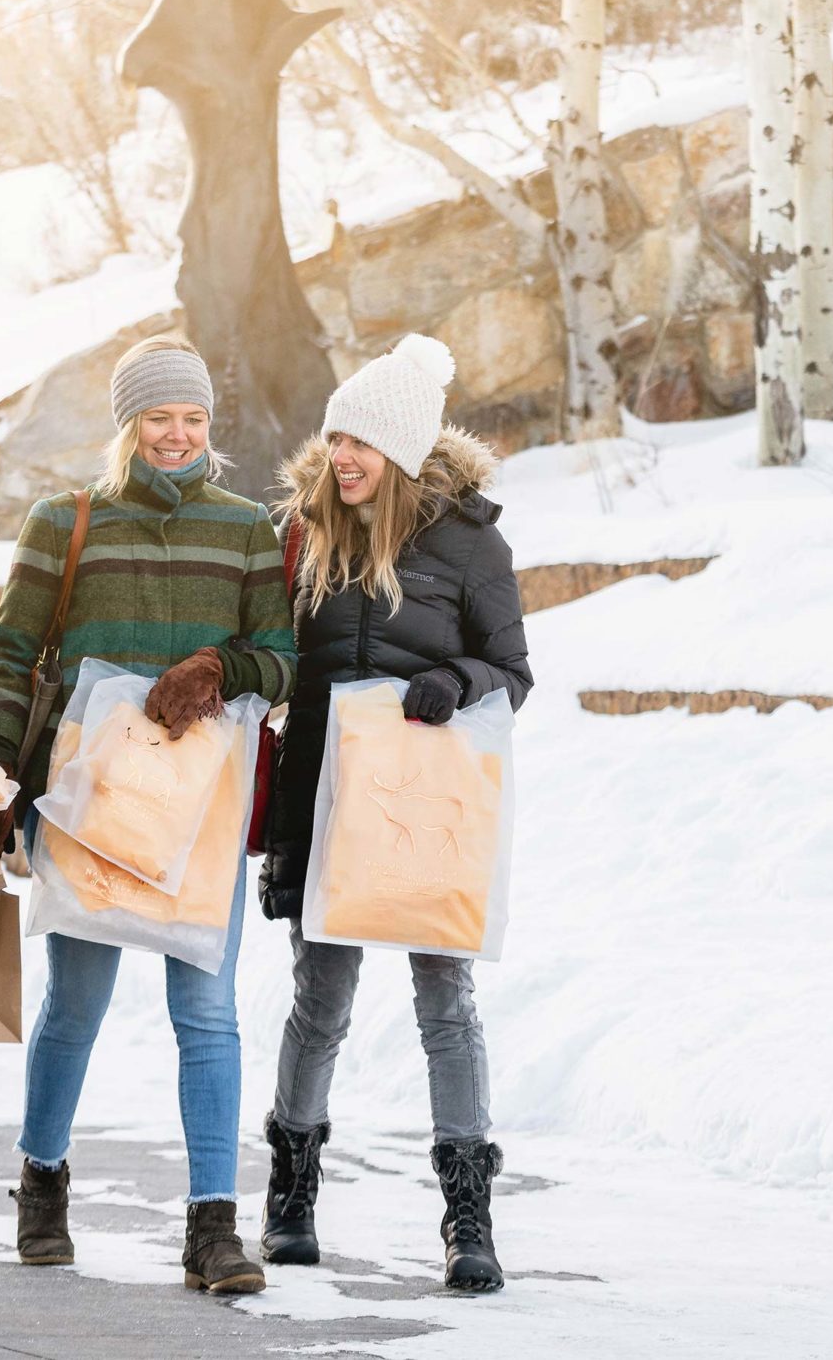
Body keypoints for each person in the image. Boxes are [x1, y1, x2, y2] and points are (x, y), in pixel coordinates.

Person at [0, 336, 295, 1296]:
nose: (177, 435)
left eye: (193, 418)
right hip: (86, 804)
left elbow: (284, 657)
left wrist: (220, 669)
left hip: (200, 803)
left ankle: (212, 1228)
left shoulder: (245, 528)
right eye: (159, 417)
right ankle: (41, 1182)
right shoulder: (64, 523)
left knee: (206, 1010)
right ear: (128, 424)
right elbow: (5, 656)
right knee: (75, 1004)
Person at [257, 334, 532, 1294]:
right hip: (327, 804)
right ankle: (289, 1200)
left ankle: (468, 1217)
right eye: (336, 438)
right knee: (319, 1005)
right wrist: (283, 837)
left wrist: (455, 680)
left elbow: (514, 672)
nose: (342, 458)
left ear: (406, 453)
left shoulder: (470, 543)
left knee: (445, 1007)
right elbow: (287, 683)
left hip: (427, 811)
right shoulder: (305, 532)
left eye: (362, 443)